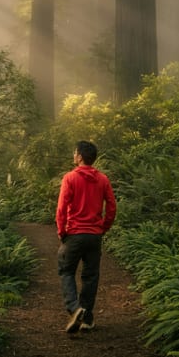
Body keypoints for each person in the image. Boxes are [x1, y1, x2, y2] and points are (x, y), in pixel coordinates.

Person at [56, 140, 116, 334]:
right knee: (90, 276)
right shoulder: (103, 179)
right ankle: (87, 319)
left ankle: (75, 309)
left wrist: (61, 231)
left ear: (80, 156)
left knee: (66, 271)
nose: (73, 156)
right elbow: (112, 208)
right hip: (94, 235)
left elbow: (61, 209)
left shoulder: (70, 178)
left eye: (75, 153)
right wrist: (103, 228)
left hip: (74, 234)